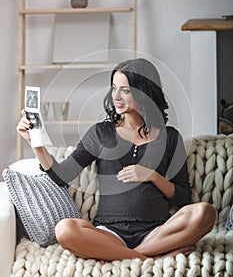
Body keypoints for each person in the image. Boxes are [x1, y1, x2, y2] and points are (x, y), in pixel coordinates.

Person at [17, 58, 216, 261]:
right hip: (110, 233)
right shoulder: (100, 133)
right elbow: (63, 175)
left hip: (157, 232)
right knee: (65, 229)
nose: (116, 97)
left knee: (205, 212)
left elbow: (183, 197)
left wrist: (153, 176)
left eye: (126, 90)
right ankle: (150, 258)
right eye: (114, 88)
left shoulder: (170, 137)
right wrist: (37, 145)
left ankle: (131, 255)